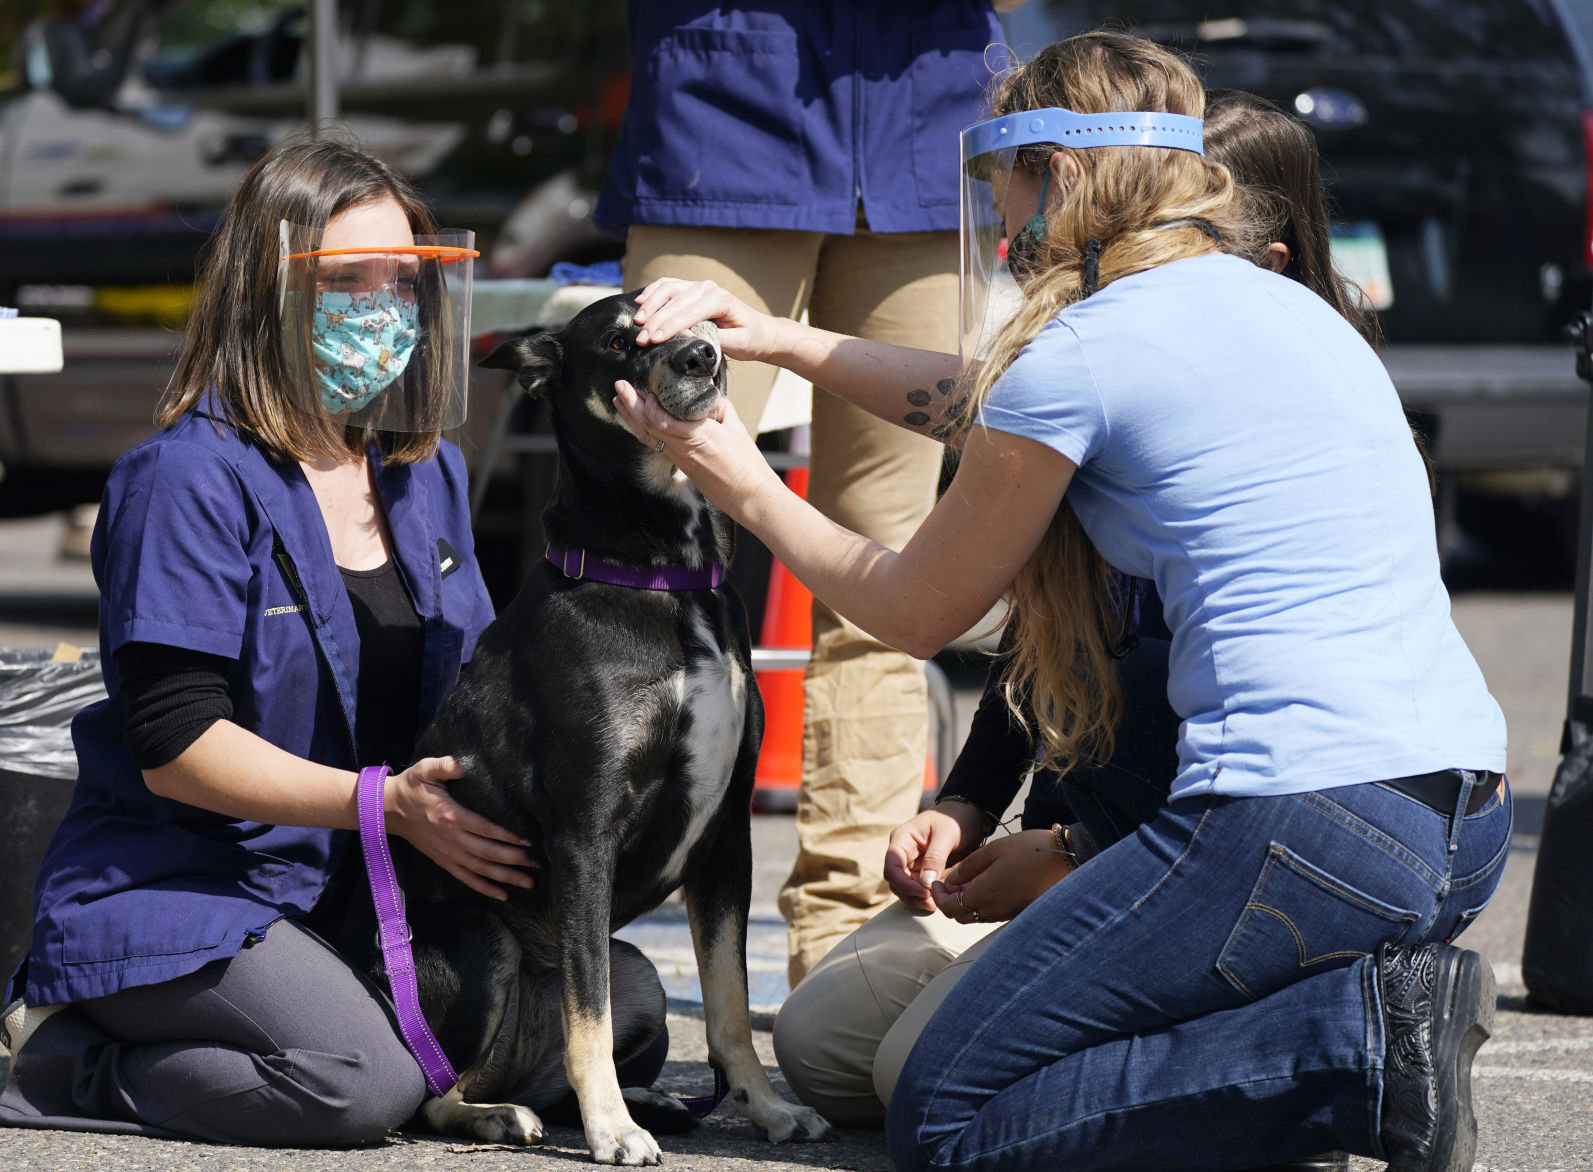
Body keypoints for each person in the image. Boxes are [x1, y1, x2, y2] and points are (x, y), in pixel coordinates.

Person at [613, 31, 1509, 1171]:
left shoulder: (1083, 352)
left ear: (1065, 175)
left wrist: (737, 477)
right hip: (1457, 823)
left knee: (944, 1111)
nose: (997, 228)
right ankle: (1323, 1035)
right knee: (914, 1061)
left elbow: (911, 610)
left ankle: (1354, 1043)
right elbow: (978, 402)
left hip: (1291, 822)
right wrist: (785, 338)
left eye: (1004, 193)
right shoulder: (1278, 303)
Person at [766, 87, 1404, 1142]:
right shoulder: (1097, 372)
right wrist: (966, 806)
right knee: (822, 1043)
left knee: (927, 1088)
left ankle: (1306, 1059)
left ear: (1269, 261)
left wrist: (1070, 850)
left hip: (1192, 852)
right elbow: (1036, 646)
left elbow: (921, 610)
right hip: (1067, 852)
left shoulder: (1262, 431)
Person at [0, 139, 548, 1146]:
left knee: (614, 1017)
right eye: (348, 281)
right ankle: (72, 1059)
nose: (385, 306)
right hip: (188, 883)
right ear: (267, 292)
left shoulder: (429, 474)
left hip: (358, 878)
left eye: (404, 278)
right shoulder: (183, 478)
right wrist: (380, 804)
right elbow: (172, 743)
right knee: (354, 1083)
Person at [597, 0, 1020, 985]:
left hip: (924, 140)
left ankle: (843, 948)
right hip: (722, 112)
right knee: (641, 535)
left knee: (895, 556)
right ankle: (572, 919)